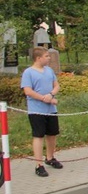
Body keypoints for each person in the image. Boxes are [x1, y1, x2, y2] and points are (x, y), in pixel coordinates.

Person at [20, 47, 62, 177]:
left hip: (51, 110)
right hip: (36, 111)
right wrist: (45, 99)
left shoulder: (49, 71)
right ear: (38, 58)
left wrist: (51, 94)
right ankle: (39, 165)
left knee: (52, 134)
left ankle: (50, 157)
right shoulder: (28, 72)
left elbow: (56, 86)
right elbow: (28, 91)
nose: (49, 58)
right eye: (46, 56)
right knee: (38, 136)